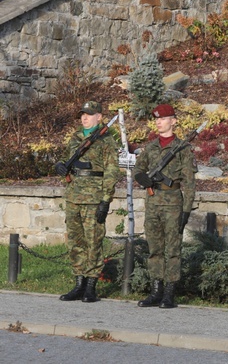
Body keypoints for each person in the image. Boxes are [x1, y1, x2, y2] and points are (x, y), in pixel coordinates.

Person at [133, 104, 196, 309]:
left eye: (163, 118)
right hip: (152, 202)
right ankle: (156, 290)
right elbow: (138, 170)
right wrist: (144, 179)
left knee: (173, 250)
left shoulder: (183, 148)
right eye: (157, 119)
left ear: (173, 121)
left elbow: (189, 182)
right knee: (154, 248)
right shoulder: (151, 147)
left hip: (173, 203)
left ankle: (169, 293)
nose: (158, 122)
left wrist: (186, 210)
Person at [57, 100, 120, 303]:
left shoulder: (106, 140)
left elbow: (111, 171)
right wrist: (61, 169)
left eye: (89, 114)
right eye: (82, 114)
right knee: (76, 241)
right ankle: (78, 283)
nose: (84, 118)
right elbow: (67, 162)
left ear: (99, 117)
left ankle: (91, 285)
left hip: (94, 197)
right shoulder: (75, 138)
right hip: (74, 195)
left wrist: (105, 200)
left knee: (93, 241)